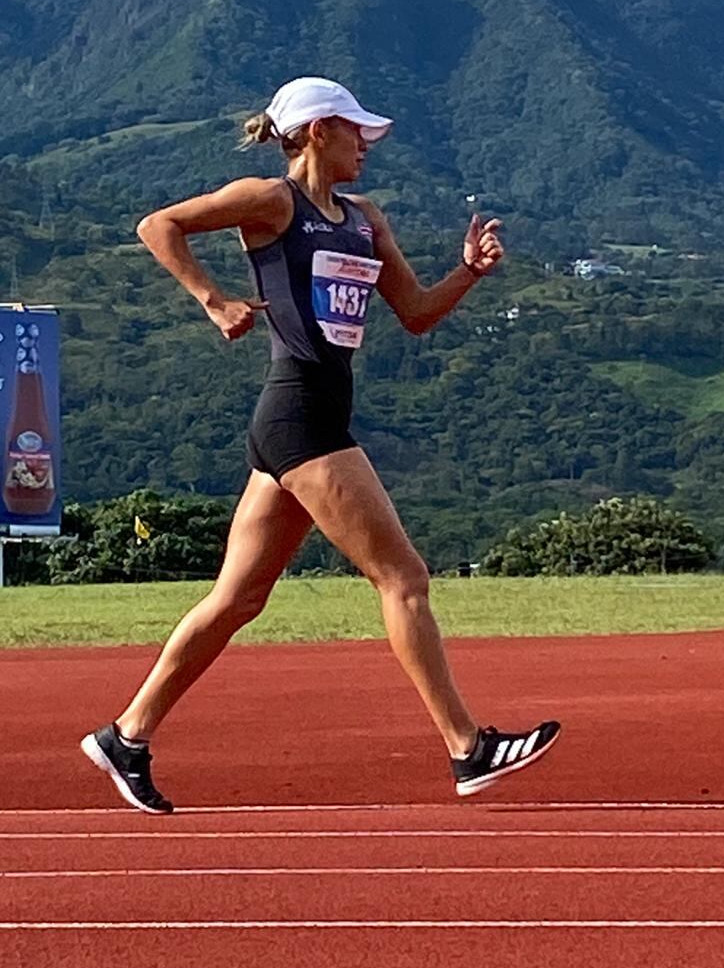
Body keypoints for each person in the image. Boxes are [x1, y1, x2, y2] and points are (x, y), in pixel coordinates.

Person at [80, 76, 560, 814]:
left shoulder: (365, 219)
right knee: (403, 576)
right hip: (299, 416)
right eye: (354, 130)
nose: (366, 144)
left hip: (310, 418)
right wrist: (214, 300)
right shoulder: (271, 202)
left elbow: (416, 312)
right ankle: (468, 748)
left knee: (237, 599)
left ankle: (126, 735)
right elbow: (158, 225)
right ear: (315, 132)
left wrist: (469, 272)